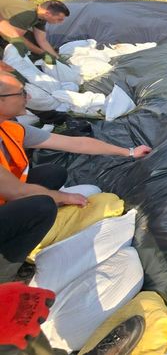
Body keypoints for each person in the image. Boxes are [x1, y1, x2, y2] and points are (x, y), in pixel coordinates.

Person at [0, 72, 152, 281]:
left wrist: (128, 152)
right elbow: (16, 191)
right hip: (8, 195)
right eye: (22, 93)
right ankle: (5, 274)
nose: (29, 98)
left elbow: (76, 143)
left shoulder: (10, 129)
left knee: (53, 173)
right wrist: (63, 197)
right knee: (42, 206)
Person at [0, 0, 68, 58]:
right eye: (59, 19)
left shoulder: (40, 16)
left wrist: (56, 57)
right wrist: (42, 53)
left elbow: (42, 40)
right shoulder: (28, 15)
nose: (61, 22)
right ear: (48, 14)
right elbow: (17, 38)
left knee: (32, 41)